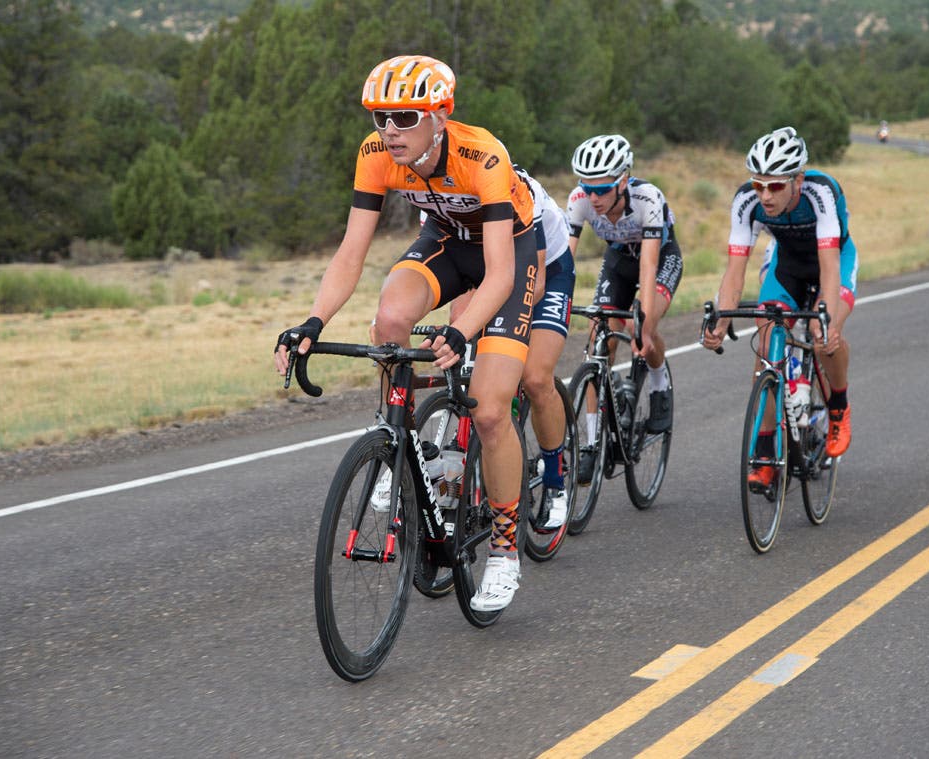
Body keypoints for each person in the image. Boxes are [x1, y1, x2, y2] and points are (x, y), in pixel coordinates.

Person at [273, 55, 537, 612]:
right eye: (378, 118)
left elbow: (500, 274)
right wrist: (313, 321)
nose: (389, 130)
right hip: (445, 244)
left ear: (438, 117)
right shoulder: (376, 155)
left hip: (507, 254)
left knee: (489, 411)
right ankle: (397, 440)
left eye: (403, 117)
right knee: (390, 320)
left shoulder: (482, 154)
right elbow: (351, 253)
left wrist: (463, 331)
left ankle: (506, 553)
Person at [702, 126, 857, 492]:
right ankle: (766, 450)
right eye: (758, 185)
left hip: (831, 262)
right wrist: (721, 320)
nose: (765, 195)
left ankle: (838, 406)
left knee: (823, 335)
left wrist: (828, 316)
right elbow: (735, 272)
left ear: (797, 180)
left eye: (774, 186)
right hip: (786, 266)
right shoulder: (746, 201)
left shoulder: (822, 193)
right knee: (767, 336)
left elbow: (831, 266)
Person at [436, 167, 577, 529]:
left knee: (534, 376)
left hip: (548, 272)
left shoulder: (523, 193)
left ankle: (555, 481)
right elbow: (464, 292)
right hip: (488, 270)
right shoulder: (444, 197)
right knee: (466, 355)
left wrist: (502, 335)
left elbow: (537, 283)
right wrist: (462, 331)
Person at [565, 134, 682, 483]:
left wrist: (642, 319)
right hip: (617, 260)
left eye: (602, 189)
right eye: (588, 188)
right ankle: (590, 441)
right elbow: (564, 261)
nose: (594, 197)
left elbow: (648, 265)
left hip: (659, 260)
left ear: (623, 180)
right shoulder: (579, 200)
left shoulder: (649, 198)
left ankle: (660, 384)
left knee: (639, 327)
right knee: (597, 339)